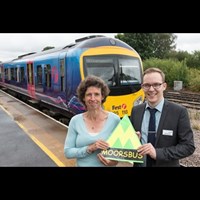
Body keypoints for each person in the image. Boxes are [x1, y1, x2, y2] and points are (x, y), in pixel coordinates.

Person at [130, 67, 195, 167]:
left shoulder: (179, 112)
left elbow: (188, 147)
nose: (151, 89)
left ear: (164, 86)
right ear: (142, 87)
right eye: (147, 85)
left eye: (156, 84)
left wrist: (158, 153)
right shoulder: (136, 111)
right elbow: (130, 144)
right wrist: (131, 140)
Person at [64, 75, 120, 167]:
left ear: (102, 97)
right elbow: (68, 152)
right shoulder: (75, 121)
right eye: (89, 95)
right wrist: (90, 148)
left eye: (97, 94)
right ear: (83, 98)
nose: (93, 99)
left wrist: (113, 162)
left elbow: (120, 151)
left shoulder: (115, 120)